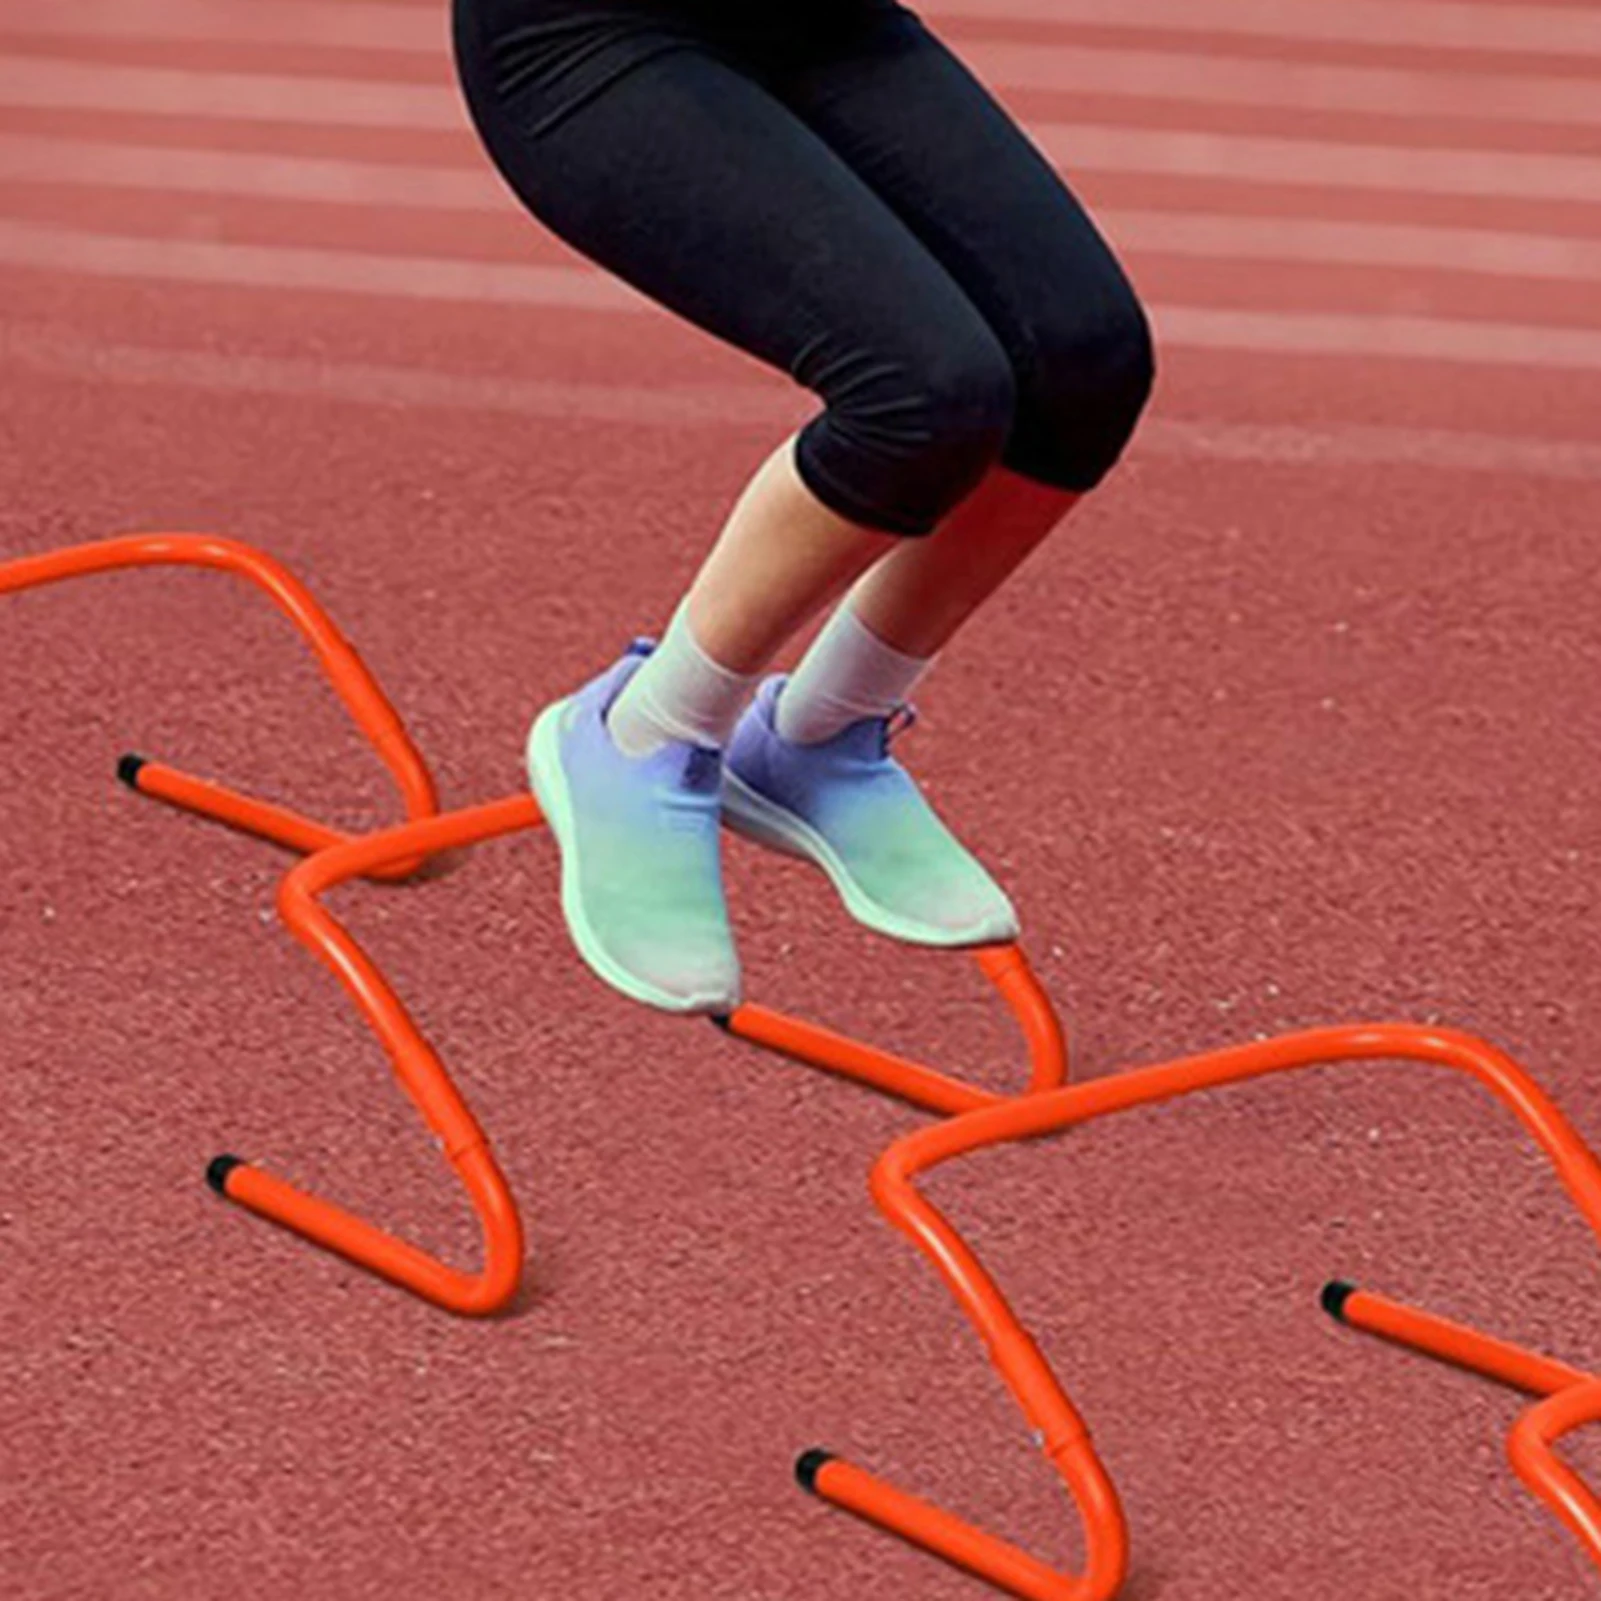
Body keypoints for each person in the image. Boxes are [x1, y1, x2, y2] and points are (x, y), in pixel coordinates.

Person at [453, 0, 1154, 1014]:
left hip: (812, 20)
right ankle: (639, 732)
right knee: (922, 395)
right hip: (589, 33)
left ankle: (823, 730)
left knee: (1083, 360)